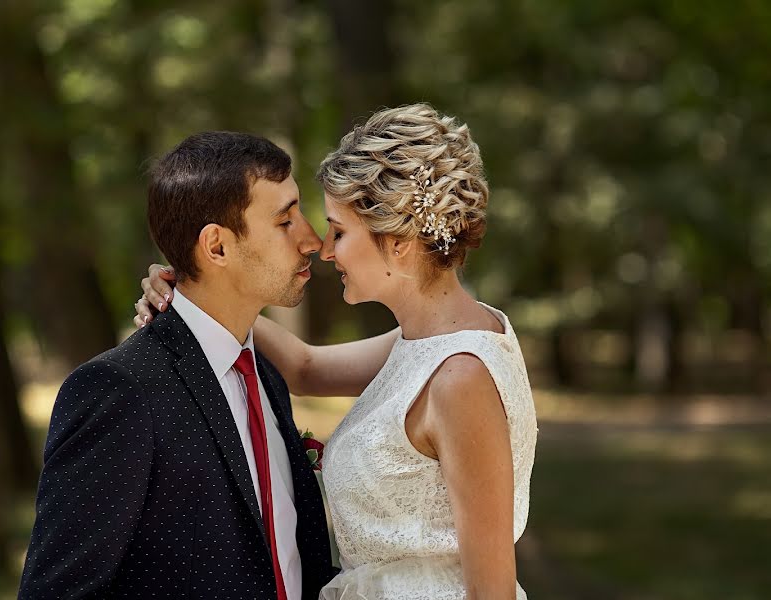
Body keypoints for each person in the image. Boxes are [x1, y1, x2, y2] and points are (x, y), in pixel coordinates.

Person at [136, 103, 538, 599]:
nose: (324, 249)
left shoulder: (460, 376)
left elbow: (492, 593)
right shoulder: (436, 338)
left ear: (398, 242)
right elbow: (306, 368)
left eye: (340, 232)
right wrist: (196, 291)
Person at [19, 131, 334, 599]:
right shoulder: (120, 391)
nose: (311, 240)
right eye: (285, 221)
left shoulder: (266, 376)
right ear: (217, 247)